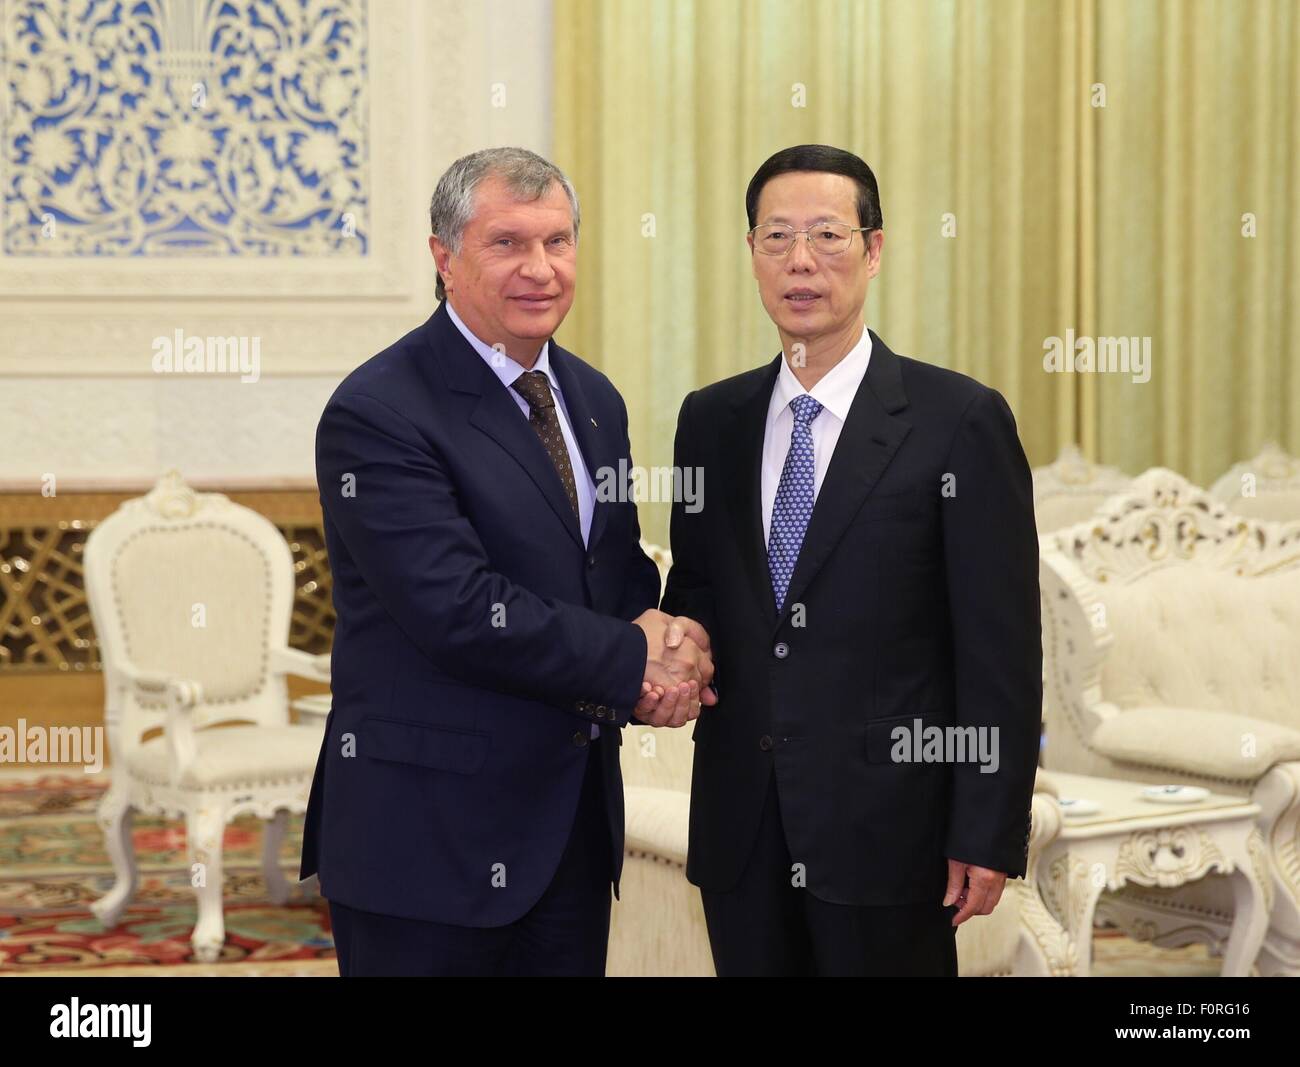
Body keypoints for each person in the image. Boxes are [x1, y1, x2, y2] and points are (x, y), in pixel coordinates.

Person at [300, 147, 714, 976]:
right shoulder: (379, 410)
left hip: (567, 831)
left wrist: (676, 644)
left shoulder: (593, 401)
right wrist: (638, 657)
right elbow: (458, 609)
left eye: (558, 242)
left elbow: (617, 575)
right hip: (427, 845)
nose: (541, 269)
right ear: (443, 256)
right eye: (508, 244)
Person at [660, 144, 1042, 976]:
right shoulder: (711, 421)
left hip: (890, 833)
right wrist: (669, 656)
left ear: (874, 250)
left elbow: (999, 651)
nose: (801, 261)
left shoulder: (958, 420)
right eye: (776, 237)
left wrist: (986, 827)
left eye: (828, 235)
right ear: (752, 253)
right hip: (743, 830)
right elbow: (695, 591)